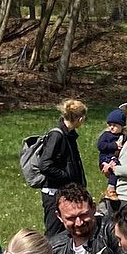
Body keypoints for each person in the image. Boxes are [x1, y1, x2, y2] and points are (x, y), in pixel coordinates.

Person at [37, 99, 88, 239]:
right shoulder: (57, 135)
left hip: (64, 191)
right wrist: (67, 176)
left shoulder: (69, 135)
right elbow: (45, 165)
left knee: (65, 233)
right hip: (53, 193)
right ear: (80, 118)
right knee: (54, 233)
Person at [96, 110, 126, 202]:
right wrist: (114, 145)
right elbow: (100, 146)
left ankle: (114, 188)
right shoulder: (106, 135)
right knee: (113, 170)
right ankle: (111, 189)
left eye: (115, 125)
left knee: (117, 169)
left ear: (122, 126)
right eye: (110, 125)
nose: (112, 127)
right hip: (105, 159)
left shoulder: (124, 136)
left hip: (115, 159)